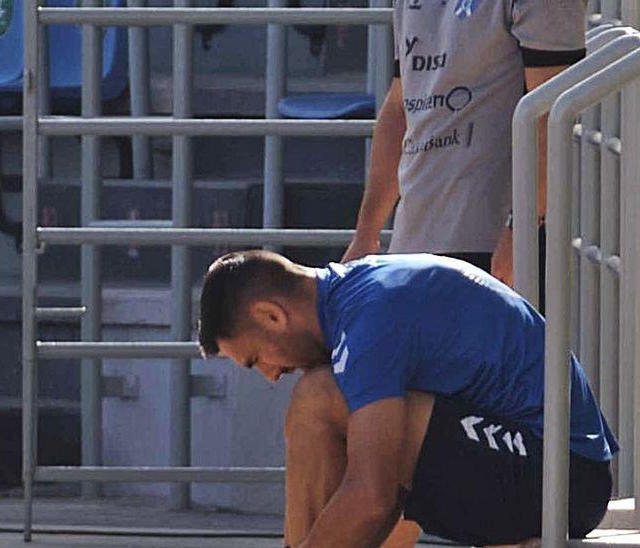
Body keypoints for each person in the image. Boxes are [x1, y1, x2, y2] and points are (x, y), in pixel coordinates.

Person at [197, 250, 616, 548]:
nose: (270, 375)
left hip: (565, 481)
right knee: (349, 415)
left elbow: (372, 498)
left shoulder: (370, 322)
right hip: (537, 463)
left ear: (272, 315)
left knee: (318, 399)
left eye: (256, 360)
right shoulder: (362, 293)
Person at [343, 0, 588, 283]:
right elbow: (400, 105)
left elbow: (551, 116)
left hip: (494, 244)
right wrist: (366, 236)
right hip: (414, 238)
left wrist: (521, 233)